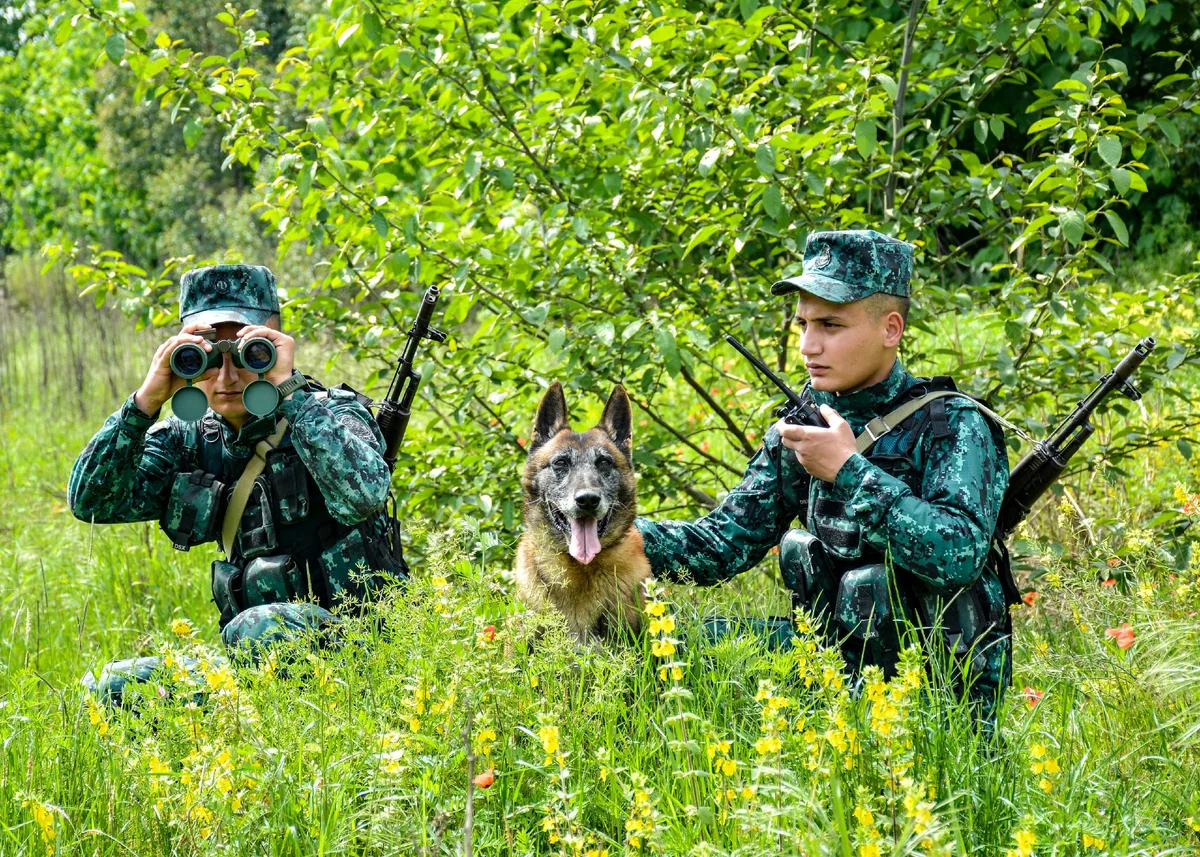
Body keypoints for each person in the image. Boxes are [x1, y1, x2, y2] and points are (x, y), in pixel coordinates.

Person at [635, 230, 1014, 724]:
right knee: (665, 646)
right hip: (832, 661)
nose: (808, 345)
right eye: (803, 324)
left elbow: (957, 554)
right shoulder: (804, 423)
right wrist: (617, 535)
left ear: (890, 329)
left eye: (831, 324)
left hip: (939, 686)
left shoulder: (950, 424)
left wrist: (848, 472)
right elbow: (724, 542)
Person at [69, 264, 407, 704]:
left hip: (359, 653)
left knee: (261, 626)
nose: (226, 377)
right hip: (251, 661)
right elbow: (90, 502)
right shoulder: (188, 440)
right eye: (206, 357)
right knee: (108, 687)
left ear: (275, 346)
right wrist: (145, 401)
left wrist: (293, 392)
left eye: (247, 353)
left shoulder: (330, 415)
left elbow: (363, 497)